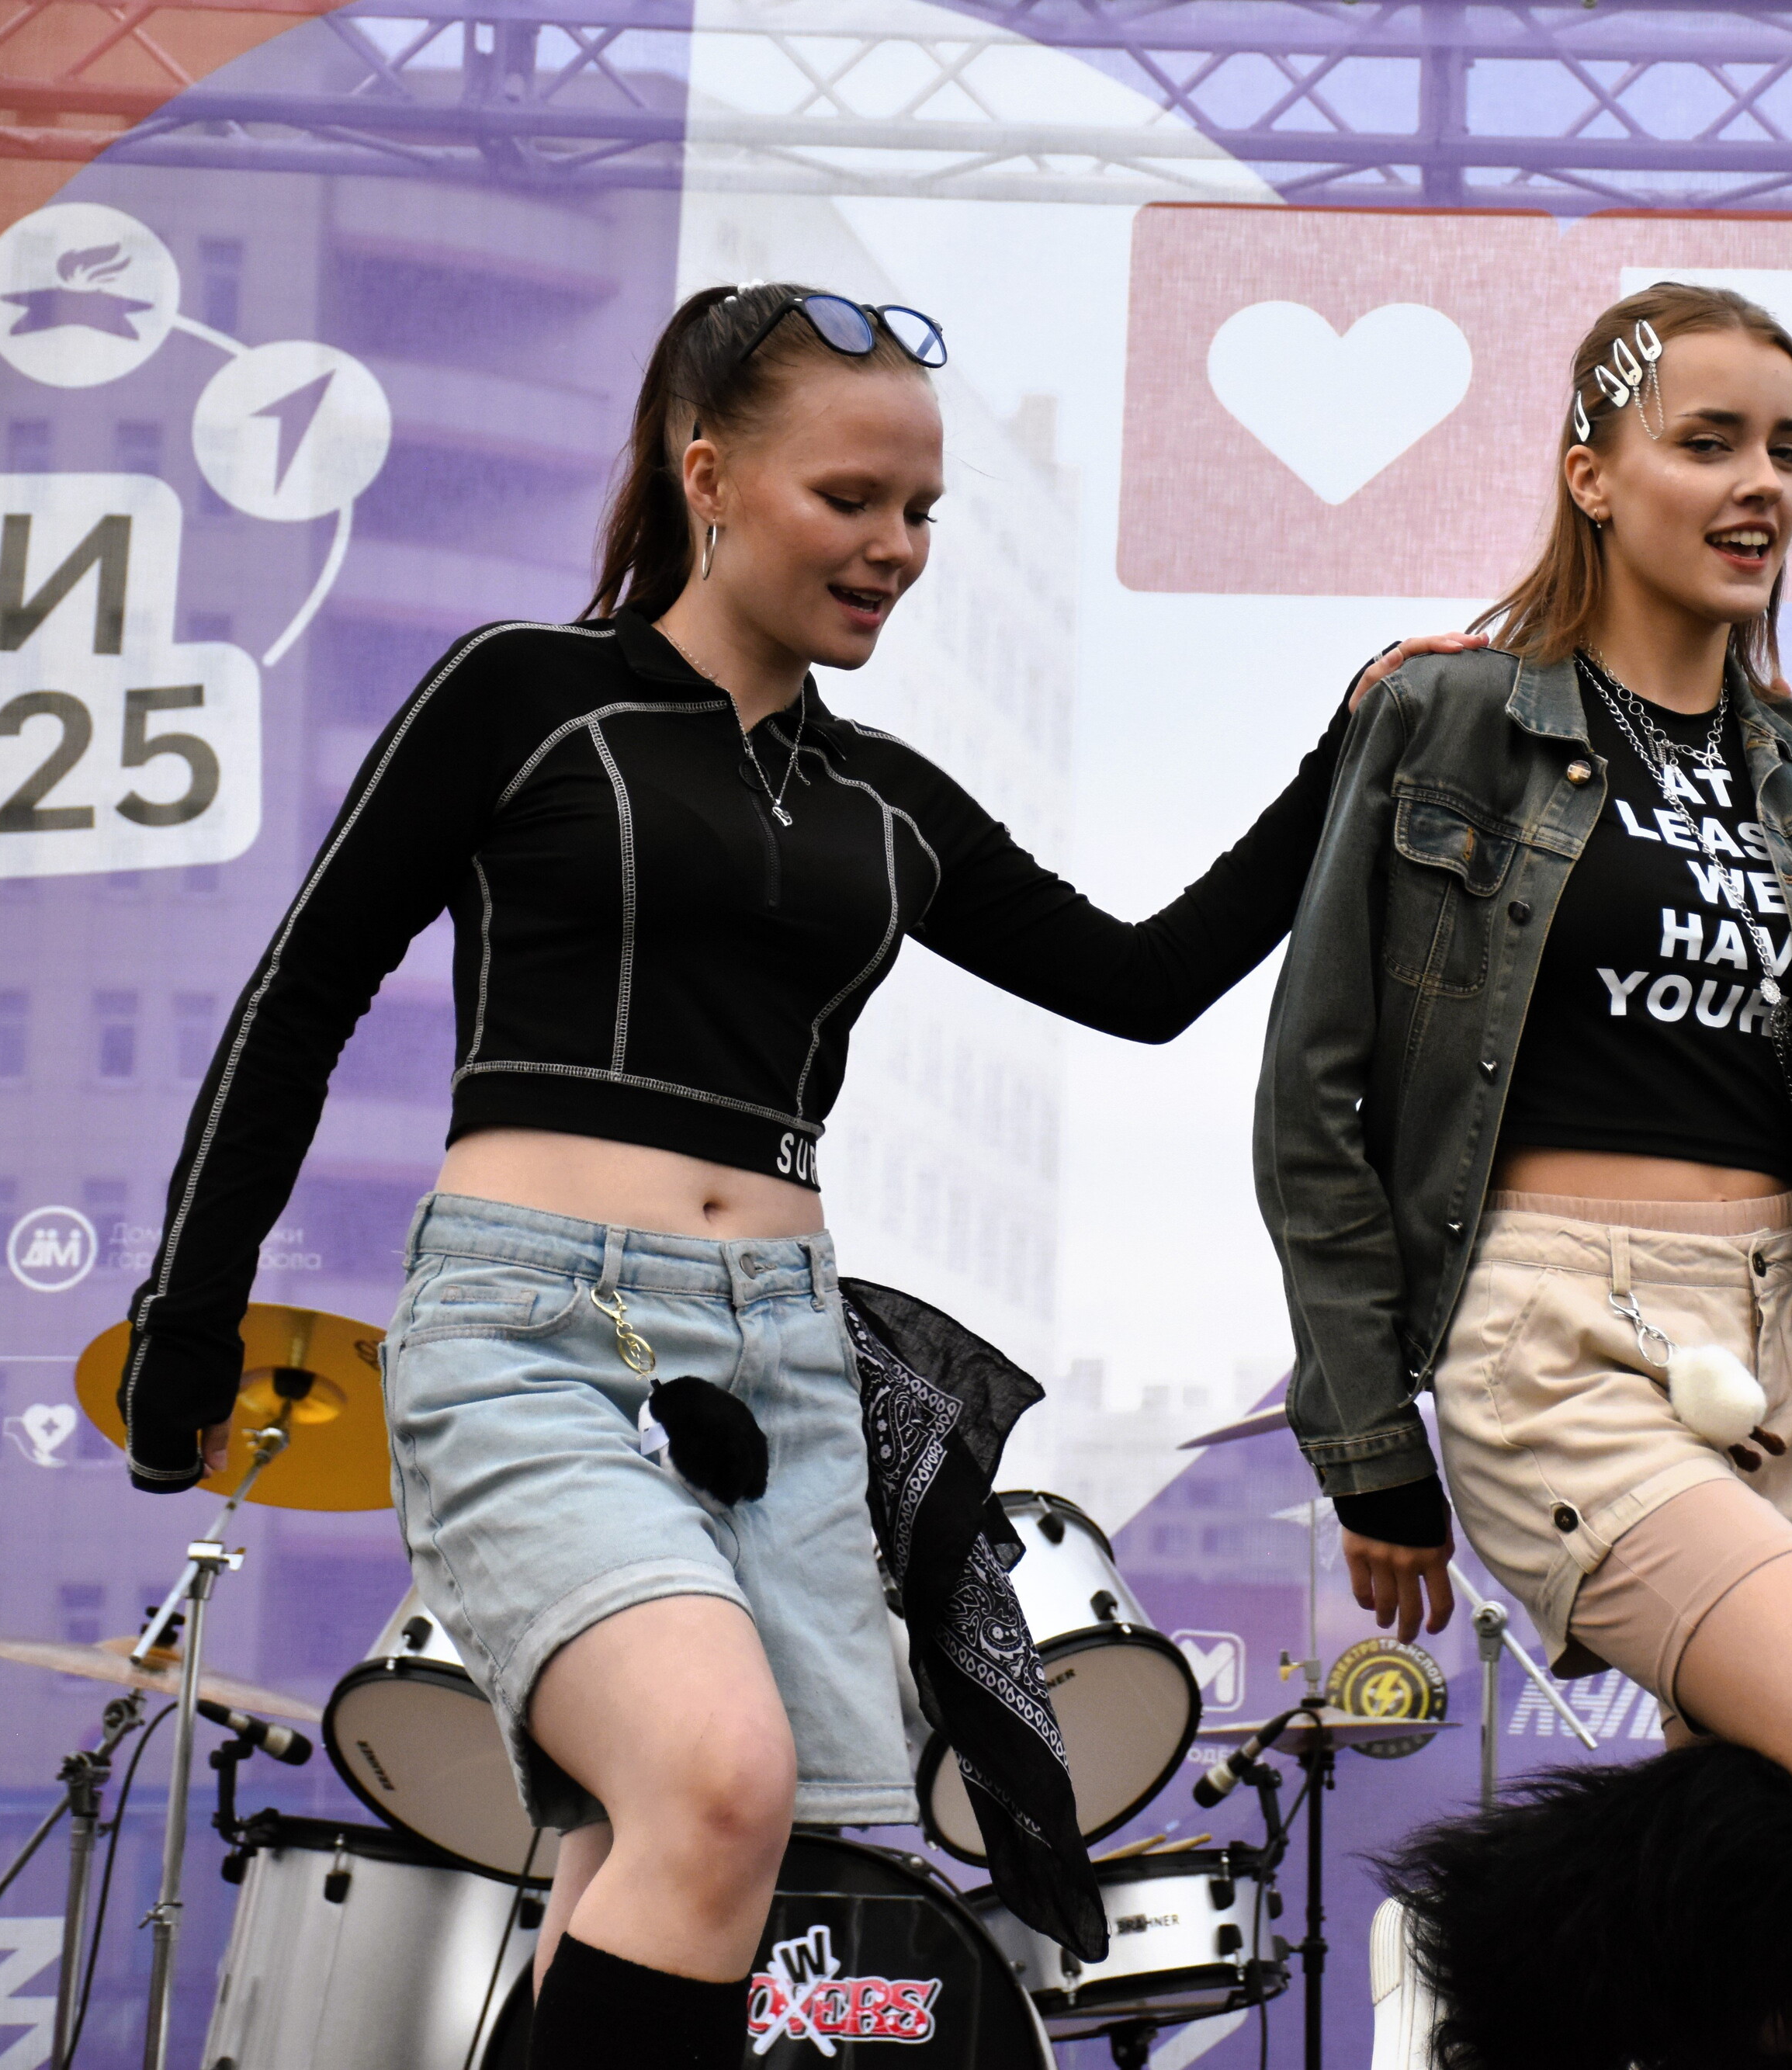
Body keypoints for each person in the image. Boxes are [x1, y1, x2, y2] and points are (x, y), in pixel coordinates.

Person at [113, 282, 1454, 2070]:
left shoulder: (885, 796)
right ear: (708, 478)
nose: (896, 546)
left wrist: (1342, 754)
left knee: (659, 1849)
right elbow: (300, 998)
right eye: (850, 497)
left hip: (781, 1367)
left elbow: (1143, 982)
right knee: (717, 1784)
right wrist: (186, 1328)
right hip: (538, 1332)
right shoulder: (527, 696)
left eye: (921, 510)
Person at [1256, 283, 1792, 2070]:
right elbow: (1311, 1095)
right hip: (1564, 1330)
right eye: (1707, 441)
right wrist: (1362, 1439)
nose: (1759, 484)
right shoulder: (1448, 718)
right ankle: (1496, 1940)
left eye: (1787, 449)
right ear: (1591, 472)